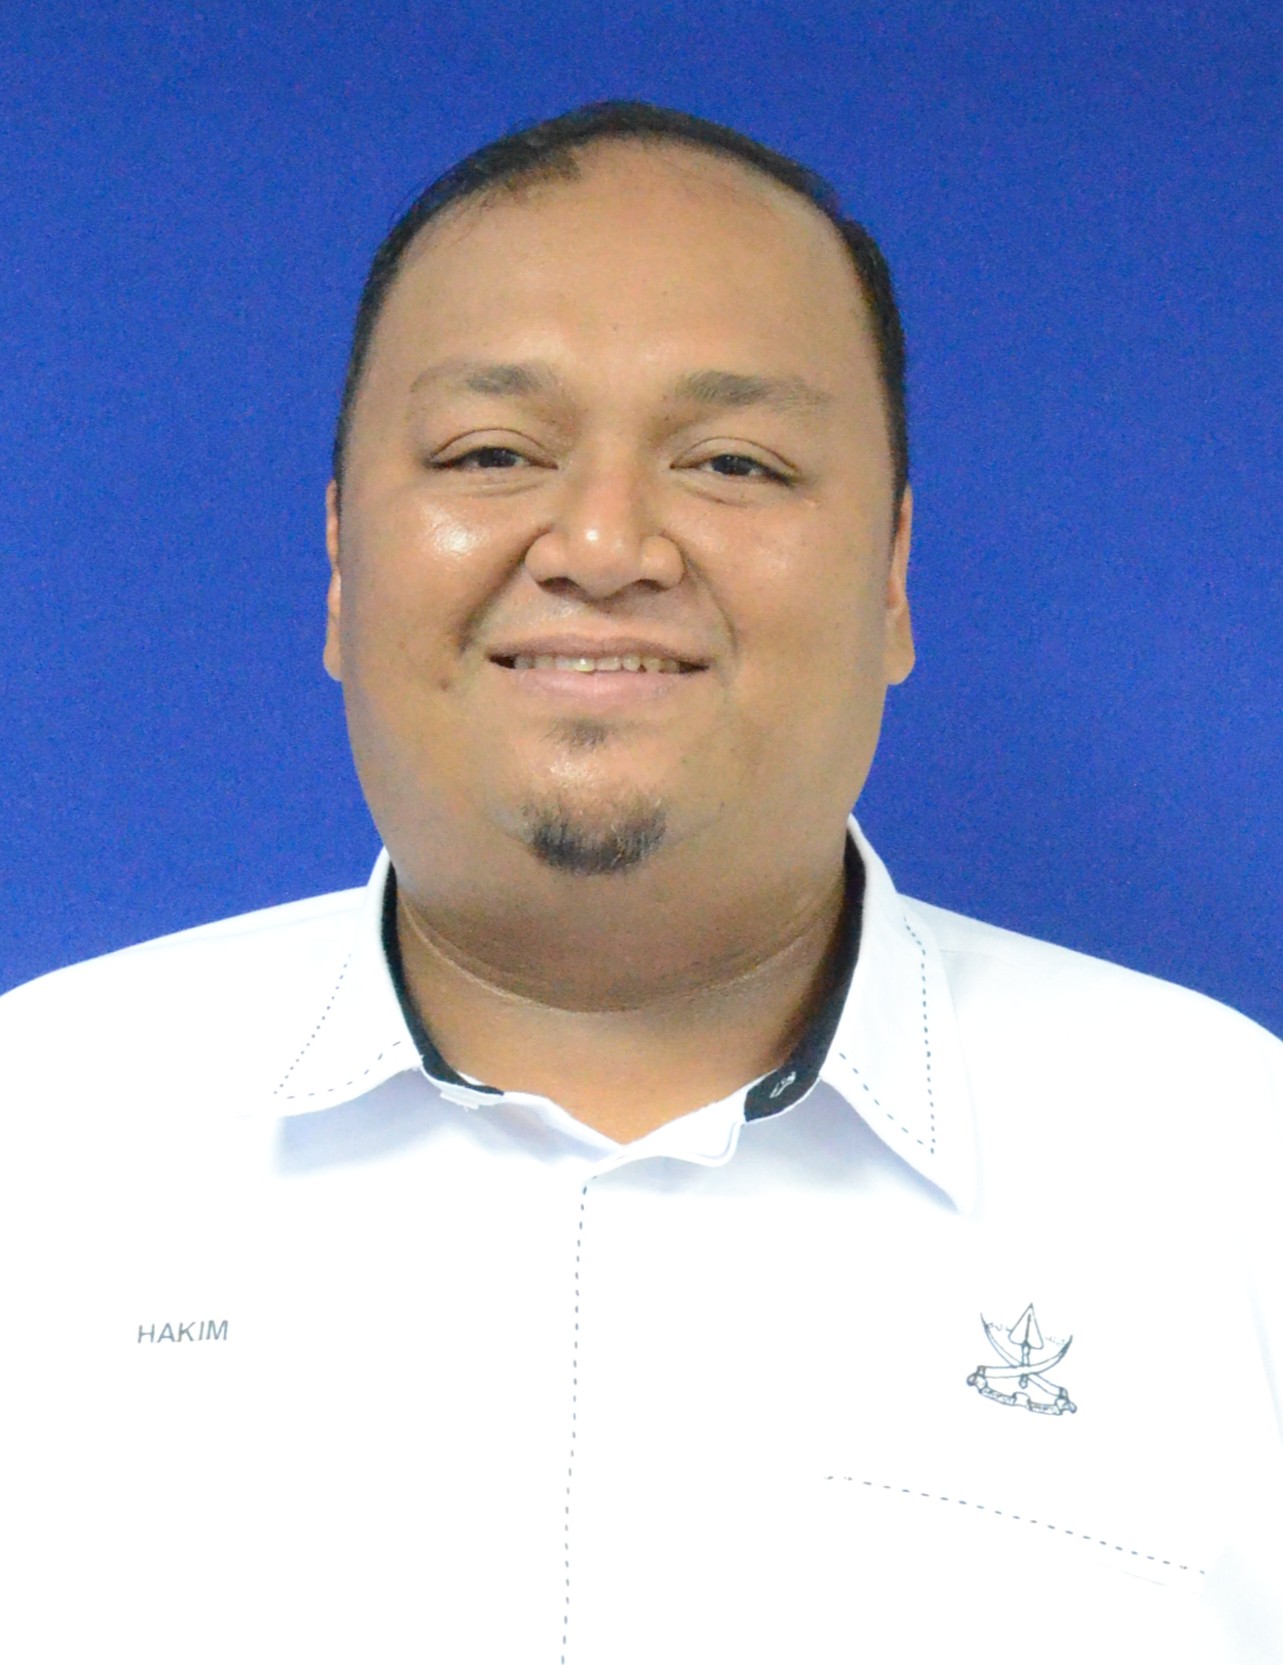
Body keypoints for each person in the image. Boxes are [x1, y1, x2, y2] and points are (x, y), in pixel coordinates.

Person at [2, 102, 1280, 1663]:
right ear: (340, 560)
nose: (605, 543)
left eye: (734, 461)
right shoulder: (36, 1141)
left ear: (891, 574)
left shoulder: (1235, 1175)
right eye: (491, 453)